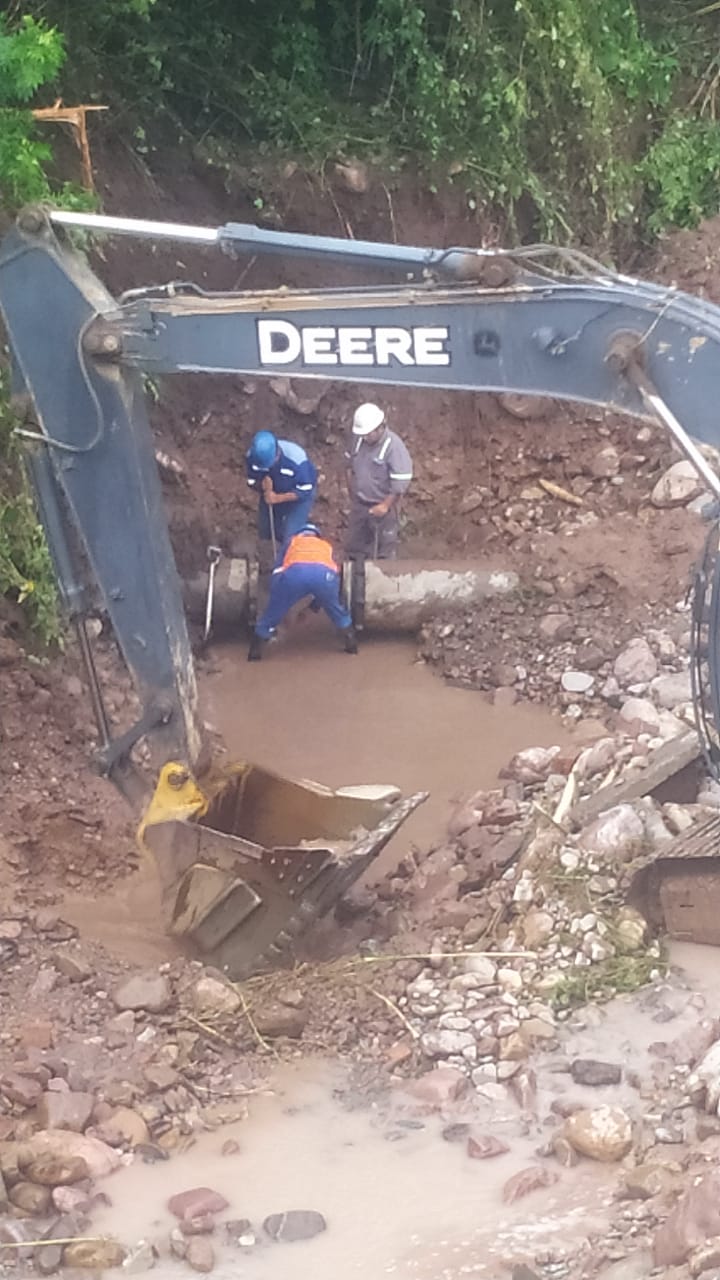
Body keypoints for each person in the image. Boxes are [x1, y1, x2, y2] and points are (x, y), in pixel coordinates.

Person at [248, 524, 358, 661]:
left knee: (271, 615)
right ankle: (351, 644)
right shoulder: (325, 545)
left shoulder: (292, 541)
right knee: (336, 609)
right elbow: (333, 579)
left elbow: (277, 570)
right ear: (316, 535)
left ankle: (255, 652)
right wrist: (314, 607)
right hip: (325, 576)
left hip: (296, 573)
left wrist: (278, 598)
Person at [345, 403, 413, 559]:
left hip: (384, 507)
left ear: (380, 427)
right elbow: (348, 466)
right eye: (363, 434)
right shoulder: (358, 440)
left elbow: (400, 484)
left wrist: (385, 505)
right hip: (361, 504)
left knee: (385, 551)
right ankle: (357, 579)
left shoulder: (394, 447)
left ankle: (382, 580)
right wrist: (353, 494)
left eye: (368, 434)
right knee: (354, 548)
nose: (365, 437)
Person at [246, 431, 317, 545]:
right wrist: (261, 486)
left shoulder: (297, 460)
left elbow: (305, 490)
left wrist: (277, 498)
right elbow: (251, 480)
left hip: (298, 498)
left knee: (290, 538)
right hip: (271, 494)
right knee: (266, 530)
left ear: (277, 454)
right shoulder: (253, 457)